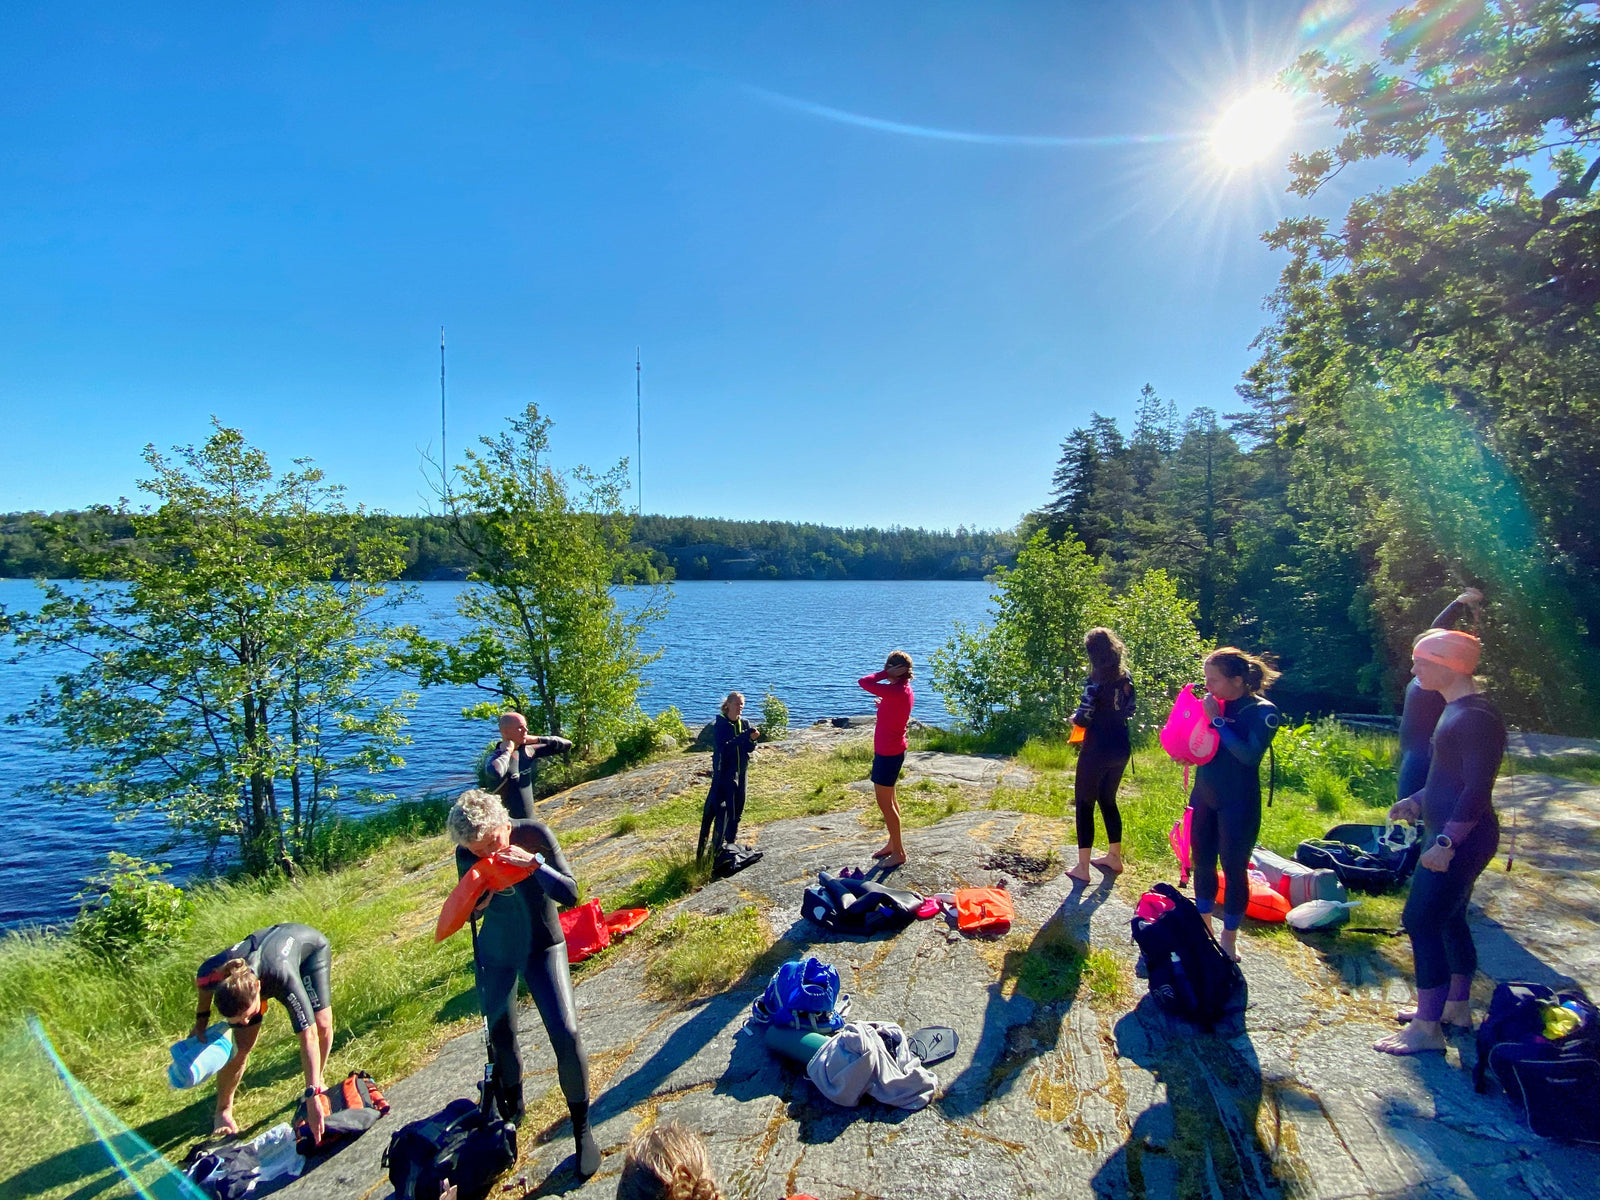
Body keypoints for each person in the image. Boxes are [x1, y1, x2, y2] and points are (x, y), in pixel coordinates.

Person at [447, 788, 599, 1177]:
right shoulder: (468, 854)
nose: (487, 854)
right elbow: (469, 913)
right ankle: (513, 1111)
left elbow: (569, 893)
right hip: (497, 953)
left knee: (565, 1032)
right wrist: (476, 906)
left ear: (503, 822)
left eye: (492, 843)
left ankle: (582, 1129)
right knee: (502, 1035)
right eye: (477, 850)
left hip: (543, 944)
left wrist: (534, 865)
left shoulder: (533, 834)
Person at [1375, 629, 1504, 1056]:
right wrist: (1417, 799)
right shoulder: (1457, 710)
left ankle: (1427, 1030)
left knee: (1421, 920)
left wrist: (1446, 842)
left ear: (1447, 663)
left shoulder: (1475, 718)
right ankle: (1456, 1008)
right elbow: (1451, 778)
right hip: (1451, 832)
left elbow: (1476, 790)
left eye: (1420, 662)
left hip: (1461, 838)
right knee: (1450, 918)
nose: (1413, 670)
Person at [192, 923, 335, 1140]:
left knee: (321, 1023)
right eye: (239, 1019)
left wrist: (312, 1094)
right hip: (258, 970)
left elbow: (309, 1036)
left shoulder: (281, 977)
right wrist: (201, 1022)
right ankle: (223, 1111)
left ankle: (318, 1082)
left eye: (248, 1015)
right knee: (241, 1047)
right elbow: (204, 987)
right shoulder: (212, 972)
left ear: (258, 988)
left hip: (307, 950)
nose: (246, 1021)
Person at [1190, 647, 1282, 963]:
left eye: (1213, 680)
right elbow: (1201, 744)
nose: (1207, 686)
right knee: (1201, 863)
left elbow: (1247, 755)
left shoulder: (1262, 712)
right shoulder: (1217, 703)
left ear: (1238, 681)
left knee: (1233, 868)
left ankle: (1229, 939)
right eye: (1206, 679)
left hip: (1237, 802)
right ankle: (1204, 930)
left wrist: (1216, 720)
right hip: (1204, 794)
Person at [1397, 588, 1483, 800]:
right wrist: (1458, 603)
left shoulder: (1434, 681)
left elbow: (1438, 630)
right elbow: (1437, 629)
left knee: (1417, 815)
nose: (1415, 665)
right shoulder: (1425, 676)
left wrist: (1459, 603)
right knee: (1410, 818)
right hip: (1414, 756)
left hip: (1424, 759)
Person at [1066, 627, 1137, 884]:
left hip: (1097, 747)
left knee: (1084, 804)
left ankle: (1082, 868)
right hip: (1121, 744)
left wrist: (1073, 719)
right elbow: (1130, 709)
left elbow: (1084, 717)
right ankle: (1114, 857)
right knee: (1108, 799)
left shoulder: (1095, 681)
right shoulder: (1125, 676)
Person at [858, 651, 915, 868]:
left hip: (888, 754)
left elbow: (864, 681)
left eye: (888, 666)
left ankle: (899, 852)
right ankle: (893, 843)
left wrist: (884, 673)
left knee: (885, 804)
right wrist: (883, 706)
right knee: (891, 800)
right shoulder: (902, 691)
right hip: (893, 750)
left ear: (895, 669)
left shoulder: (896, 692)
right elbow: (894, 710)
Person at [696, 692, 761, 863]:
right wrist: (746, 736)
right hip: (726, 774)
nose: (741, 707)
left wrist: (752, 740)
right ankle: (718, 847)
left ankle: (730, 845)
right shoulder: (720, 724)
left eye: (742, 704)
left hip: (742, 771)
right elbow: (725, 747)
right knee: (726, 810)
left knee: (738, 808)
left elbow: (748, 749)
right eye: (738, 704)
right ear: (728, 705)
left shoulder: (744, 723)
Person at [482, 711, 574, 820]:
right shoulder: (496, 757)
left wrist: (537, 739)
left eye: (525, 726)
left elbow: (566, 745)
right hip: (508, 825)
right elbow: (496, 772)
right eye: (520, 728)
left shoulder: (527, 751)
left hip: (530, 822)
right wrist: (508, 751)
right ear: (505, 732)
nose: (526, 730)